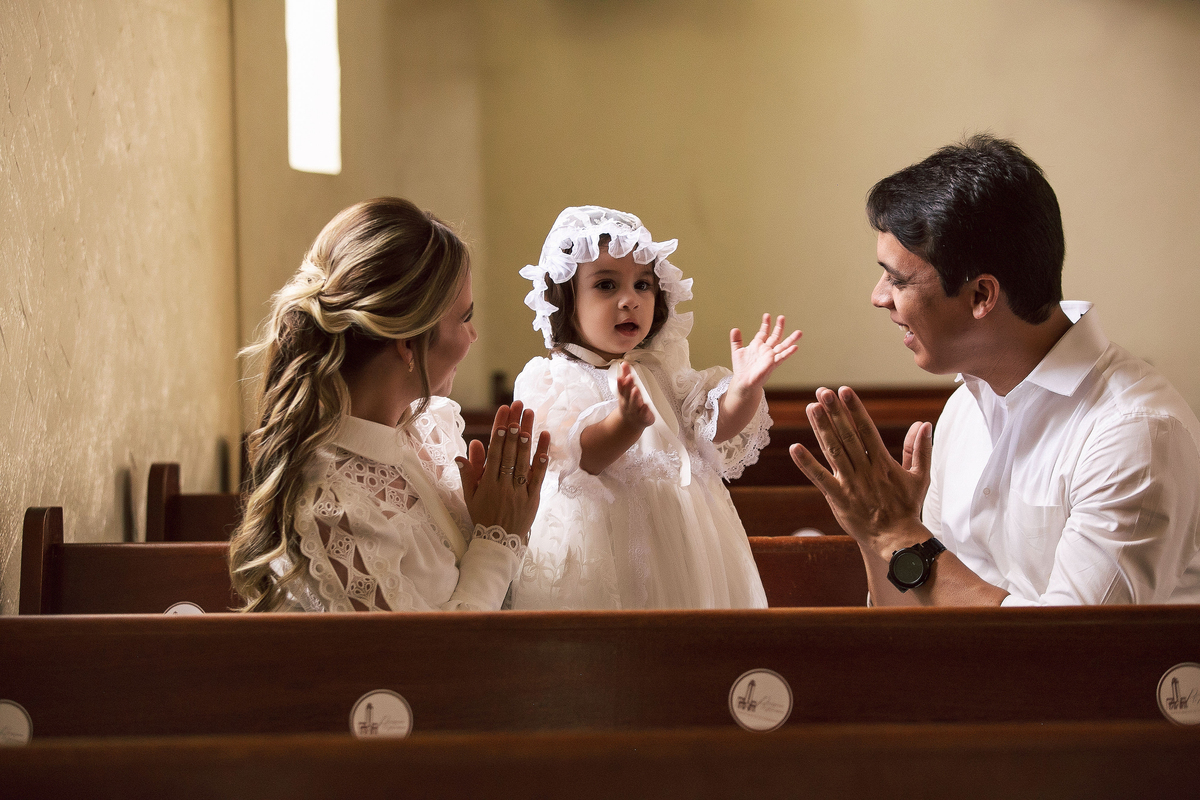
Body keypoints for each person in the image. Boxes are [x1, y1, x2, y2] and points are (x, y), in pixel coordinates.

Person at [790, 134, 1200, 606]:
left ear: (982, 295)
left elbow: (1071, 656)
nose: (878, 297)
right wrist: (873, 530)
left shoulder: (1134, 433)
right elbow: (914, 614)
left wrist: (899, 535)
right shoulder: (966, 406)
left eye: (898, 279)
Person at [229, 197, 550, 612]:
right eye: (464, 318)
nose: (473, 337)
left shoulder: (430, 428)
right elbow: (423, 665)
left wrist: (505, 517)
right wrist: (496, 541)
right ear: (408, 344)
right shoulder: (333, 509)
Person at [509, 205, 801, 609]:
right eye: (607, 285)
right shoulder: (554, 379)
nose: (630, 300)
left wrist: (745, 390)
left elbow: (714, 428)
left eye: (643, 285)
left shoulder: (663, 370)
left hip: (685, 544)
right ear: (565, 300)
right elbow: (585, 457)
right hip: (607, 547)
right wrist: (626, 423)